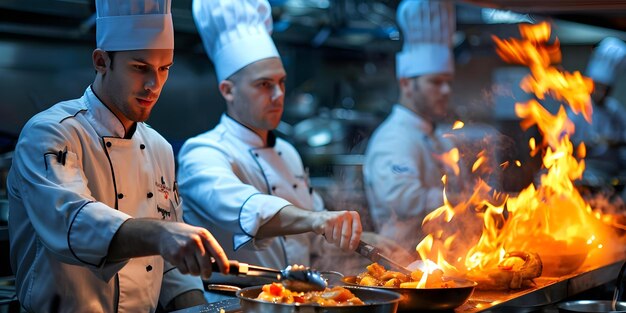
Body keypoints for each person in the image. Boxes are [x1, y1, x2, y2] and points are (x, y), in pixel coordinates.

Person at [7, 0, 230, 312]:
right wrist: (161, 234)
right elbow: (73, 221)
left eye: (164, 69)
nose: (154, 85)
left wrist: (200, 309)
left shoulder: (159, 148)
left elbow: (171, 268)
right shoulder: (51, 133)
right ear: (101, 61)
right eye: (140, 68)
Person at [177, 0, 368, 292]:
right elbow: (249, 208)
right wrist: (317, 219)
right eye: (264, 85)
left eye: (281, 82)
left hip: (299, 300)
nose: (279, 94)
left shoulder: (288, 153)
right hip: (233, 303)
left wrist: (376, 245)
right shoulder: (203, 153)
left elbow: (319, 236)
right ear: (228, 90)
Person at [362, 0, 460, 254]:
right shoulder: (393, 139)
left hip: (441, 261)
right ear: (406, 83)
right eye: (436, 82)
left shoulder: (438, 138)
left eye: (448, 82)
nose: (446, 91)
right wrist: (466, 200)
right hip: (402, 264)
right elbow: (405, 202)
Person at [569, 37, 626, 192]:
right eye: (598, 87)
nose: (601, 93)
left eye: (605, 89)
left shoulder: (614, 110)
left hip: (612, 174)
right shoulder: (578, 108)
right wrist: (583, 145)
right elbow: (563, 141)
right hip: (585, 172)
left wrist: (614, 142)